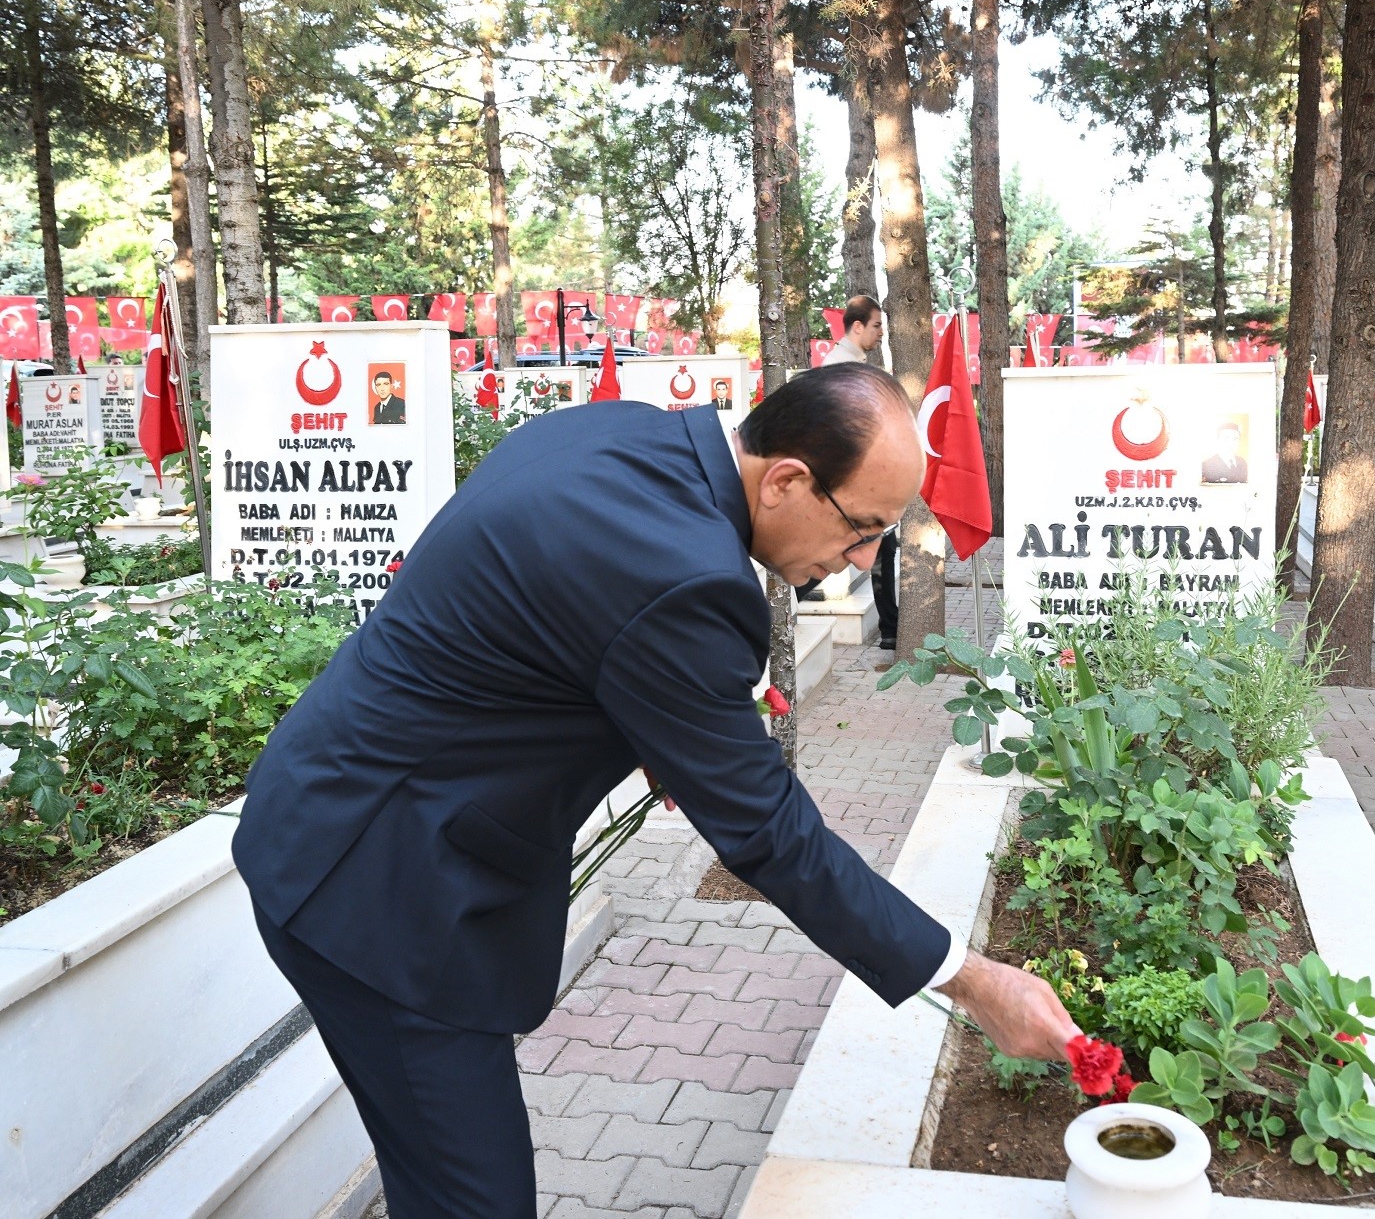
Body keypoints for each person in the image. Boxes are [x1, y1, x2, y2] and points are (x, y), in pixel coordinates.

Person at [232, 365, 1079, 1219]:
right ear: (785, 478)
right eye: (862, 530)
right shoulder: (684, 579)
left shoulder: (619, 433)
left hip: (342, 809)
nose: (859, 561)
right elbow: (770, 835)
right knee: (474, 1199)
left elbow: (543, 625)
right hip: (378, 890)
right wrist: (969, 979)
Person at [805, 296, 899, 652]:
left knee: (881, 549)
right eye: (876, 326)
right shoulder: (840, 368)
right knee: (853, 552)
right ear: (857, 326)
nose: (881, 334)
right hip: (846, 484)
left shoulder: (852, 363)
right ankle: (783, 606)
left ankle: (890, 628)